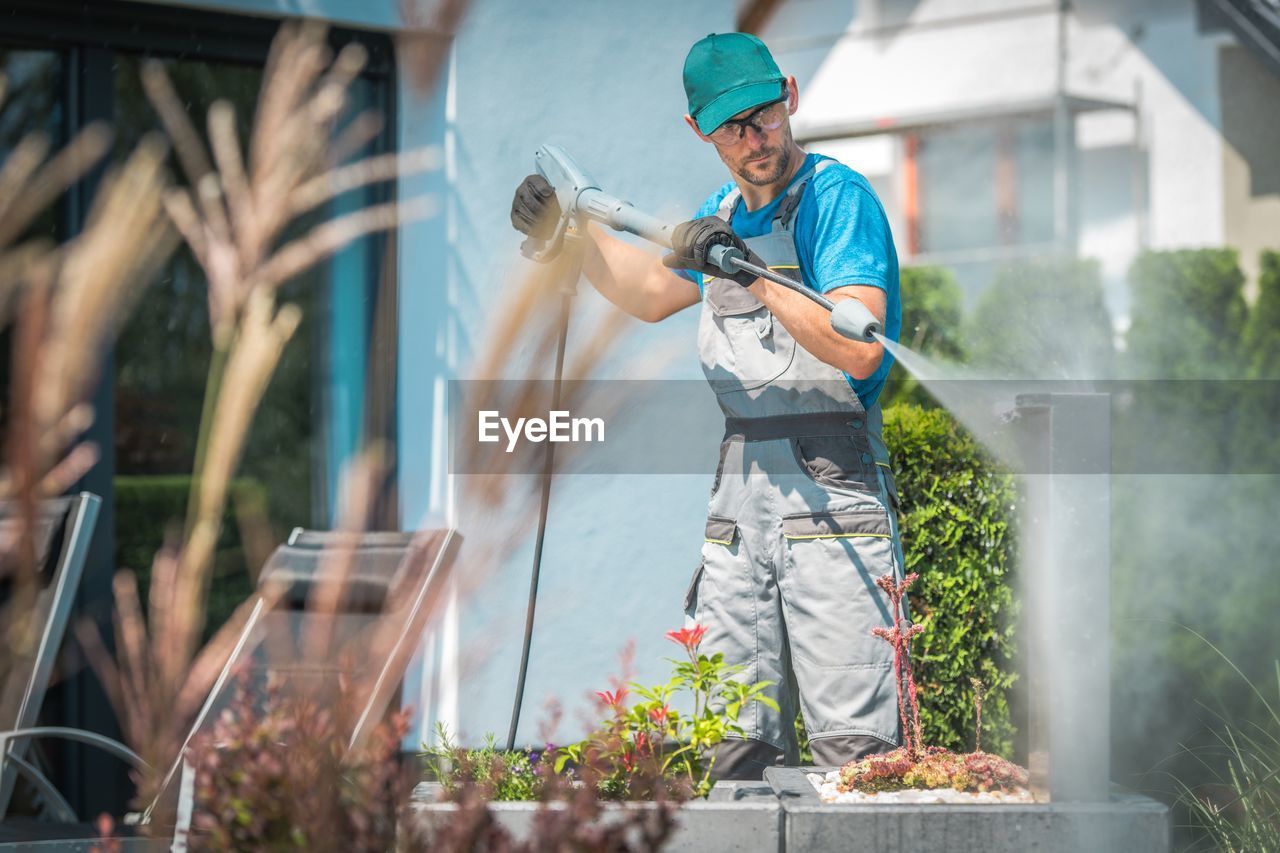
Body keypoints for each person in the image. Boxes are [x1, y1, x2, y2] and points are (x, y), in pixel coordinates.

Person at [509, 31, 906, 779]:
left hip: (832, 488)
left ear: (789, 94)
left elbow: (861, 348)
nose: (756, 138)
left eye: (764, 115)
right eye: (733, 126)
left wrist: (751, 274)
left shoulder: (835, 199)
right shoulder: (721, 208)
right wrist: (570, 233)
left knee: (856, 754)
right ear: (699, 131)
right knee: (732, 741)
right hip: (739, 495)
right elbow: (651, 291)